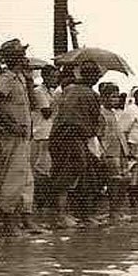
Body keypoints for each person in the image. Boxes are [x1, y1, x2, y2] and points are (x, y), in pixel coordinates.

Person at [0, 39, 37, 235]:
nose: (25, 58)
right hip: (12, 135)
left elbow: (32, 104)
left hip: (23, 135)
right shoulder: (7, 77)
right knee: (12, 178)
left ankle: (20, 220)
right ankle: (9, 224)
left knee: (24, 178)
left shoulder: (20, 79)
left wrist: (30, 80)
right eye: (22, 55)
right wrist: (10, 125)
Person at [48, 61, 103, 227]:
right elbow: (93, 123)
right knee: (69, 174)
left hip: (61, 136)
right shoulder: (89, 94)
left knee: (79, 173)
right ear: (94, 77)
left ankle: (78, 214)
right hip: (73, 136)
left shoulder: (69, 90)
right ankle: (63, 215)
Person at [99, 83, 129, 221]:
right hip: (109, 151)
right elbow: (99, 135)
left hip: (120, 150)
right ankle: (113, 211)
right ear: (104, 98)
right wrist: (102, 152)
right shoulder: (101, 113)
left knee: (124, 180)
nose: (115, 100)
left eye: (117, 97)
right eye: (112, 97)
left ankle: (117, 209)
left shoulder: (115, 113)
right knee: (114, 182)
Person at [31, 65, 59, 213]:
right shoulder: (39, 91)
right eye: (53, 76)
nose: (56, 80)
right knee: (42, 169)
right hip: (42, 134)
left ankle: (46, 202)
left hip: (51, 134)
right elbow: (47, 112)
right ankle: (38, 203)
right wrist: (58, 101)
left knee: (50, 170)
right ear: (45, 76)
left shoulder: (52, 92)